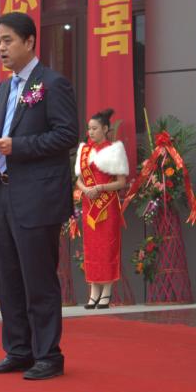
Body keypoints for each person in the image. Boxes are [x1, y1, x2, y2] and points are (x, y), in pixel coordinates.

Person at [0, 11, 79, 380]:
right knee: (10, 279)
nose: (1, 48)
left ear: (29, 41)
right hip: (4, 195)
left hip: (38, 198)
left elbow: (66, 135)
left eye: (8, 40)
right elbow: (2, 135)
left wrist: (19, 146)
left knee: (38, 279)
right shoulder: (4, 88)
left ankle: (49, 356)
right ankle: (19, 351)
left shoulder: (53, 84)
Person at [75, 108, 129, 309]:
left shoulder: (115, 150)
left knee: (107, 247)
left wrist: (100, 188)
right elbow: (79, 180)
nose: (91, 132)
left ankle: (106, 291)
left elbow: (121, 182)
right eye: (89, 128)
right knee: (92, 248)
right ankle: (93, 292)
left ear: (105, 129)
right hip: (89, 204)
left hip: (107, 205)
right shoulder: (84, 151)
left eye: (95, 128)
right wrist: (85, 189)